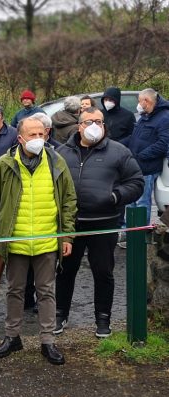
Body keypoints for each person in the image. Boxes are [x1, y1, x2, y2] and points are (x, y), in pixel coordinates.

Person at [0, 117, 76, 366]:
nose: (39, 139)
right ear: (20, 138)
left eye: (42, 134)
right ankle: (12, 336)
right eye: (33, 134)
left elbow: (69, 200)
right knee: (15, 291)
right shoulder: (4, 164)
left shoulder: (57, 162)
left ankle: (47, 341)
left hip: (47, 241)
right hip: (15, 241)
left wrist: (66, 236)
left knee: (46, 291)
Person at [55, 108, 143, 337]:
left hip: (104, 223)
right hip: (71, 224)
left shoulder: (119, 152)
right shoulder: (63, 153)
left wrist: (115, 197)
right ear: (79, 126)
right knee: (65, 271)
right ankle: (60, 314)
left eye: (99, 121)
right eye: (89, 122)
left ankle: (103, 319)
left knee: (103, 272)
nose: (94, 126)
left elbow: (136, 182)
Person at [125, 88, 169, 226]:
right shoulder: (145, 116)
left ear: (146, 101)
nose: (138, 104)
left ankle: (141, 234)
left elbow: (163, 144)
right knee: (131, 202)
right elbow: (134, 138)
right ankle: (130, 233)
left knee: (142, 203)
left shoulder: (164, 117)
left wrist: (140, 156)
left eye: (139, 101)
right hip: (136, 166)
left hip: (147, 168)